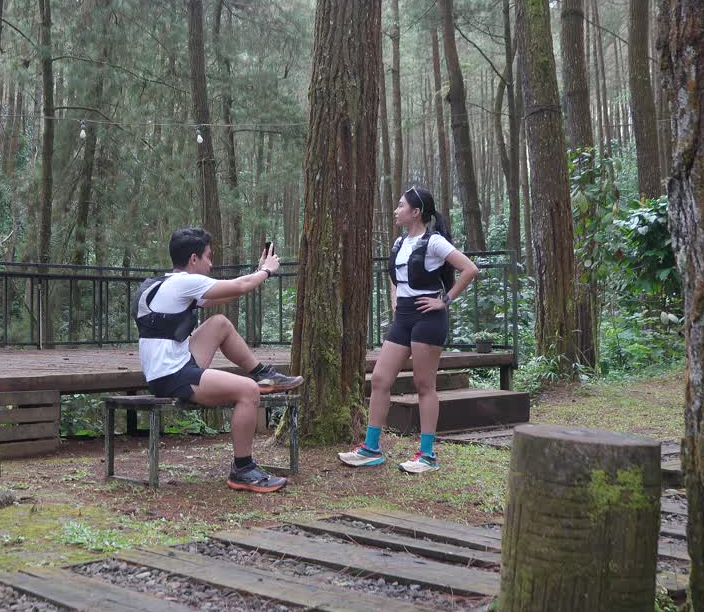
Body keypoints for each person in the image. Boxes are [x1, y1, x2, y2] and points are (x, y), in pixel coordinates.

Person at [134, 227, 303, 492]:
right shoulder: (184, 283)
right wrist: (267, 270)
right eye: (208, 257)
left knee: (219, 324)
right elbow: (241, 285)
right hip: (171, 375)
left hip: (172, 367)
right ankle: (243, 469)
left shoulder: (169, 284)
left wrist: (258, 273)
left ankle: (263, 373)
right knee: (248, 392)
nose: (211, 264)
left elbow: (232, 293)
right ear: (193, 259)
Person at [338, 187, 479, 474]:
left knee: (424, 384)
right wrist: (395, 300)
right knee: (379, 378)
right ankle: (371, 448)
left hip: (428, 317)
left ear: (416, 212)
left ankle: (427, 454)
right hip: (403, 316)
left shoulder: (435, 242)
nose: (396, 210)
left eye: (401, 206)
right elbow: (395, 276)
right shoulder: (399, 242)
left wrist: (444, 300)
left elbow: (470, 269)